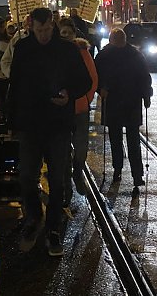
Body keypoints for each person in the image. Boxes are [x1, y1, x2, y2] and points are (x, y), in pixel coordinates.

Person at [8, 7, 92, 257]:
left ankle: (53, 226)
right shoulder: (23, 48)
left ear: (52, 27)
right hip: (31, 123)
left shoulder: (66, 49)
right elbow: (15, 83)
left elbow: (85, 81)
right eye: (39, 30)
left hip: (57, 123)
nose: (44, 35)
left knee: (57, 179)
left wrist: (69, 94)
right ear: (31, 27)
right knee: (26, 176)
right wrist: (11, 119)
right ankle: (34, 216)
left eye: (47, 30)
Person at [94, 28, 152, 188]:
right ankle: (132, 172)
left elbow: (144, 77)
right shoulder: (134, 55)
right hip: (126, 101)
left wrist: (101, 89)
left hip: (120, 101)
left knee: (119, 139)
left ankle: (124, 171)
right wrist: (146, 95)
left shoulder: (105, 56)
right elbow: (144, 77)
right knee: (127, 140)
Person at [57, 18, 98, 202]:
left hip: (80, 106)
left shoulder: (82, 51)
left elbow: (92, 78)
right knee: (62, 147)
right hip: (61, 107)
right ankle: (65, 185)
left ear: (74, 34)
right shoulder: (54, 51)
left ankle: (78, 171)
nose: (65, 36)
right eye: (62, 32)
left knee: (80, 145)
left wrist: (86, 98)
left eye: (68, 32)